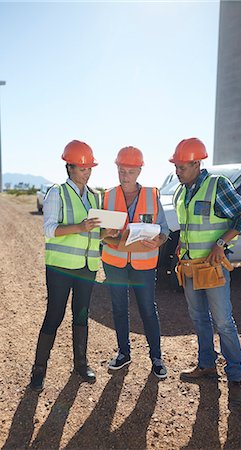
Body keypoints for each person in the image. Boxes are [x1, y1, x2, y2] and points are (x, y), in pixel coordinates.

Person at [169, 137, 241, 404]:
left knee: (223, 321)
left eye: (182, 167)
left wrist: (221, 242)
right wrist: (181, 249)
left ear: (196, 163)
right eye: (176, 167)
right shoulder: (182, 192)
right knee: (199, 318)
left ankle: (235, 374)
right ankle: (206, 364)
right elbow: (187, 227)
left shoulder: (218, 185)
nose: (177, 172)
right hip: (191, 266)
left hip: (214, 267)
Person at [30, 140, 115, 392]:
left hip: (87, 266)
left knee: (81, 314)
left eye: (89, 168)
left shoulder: (93, 196)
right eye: (82, 168)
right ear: (69, 168)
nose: (87, 172)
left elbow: (93, 235)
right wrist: (80, 226)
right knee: (54, 315)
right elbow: (49, 230)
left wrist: (106, 233)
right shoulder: (57, 193)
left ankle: (81, 364)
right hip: (61, 268)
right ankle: (38, 370)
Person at [101, 146, 169, 379]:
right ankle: (123, 353)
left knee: (148, 310)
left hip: (144, 265)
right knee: (119, 309)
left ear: (139, 171)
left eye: (130, 171)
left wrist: (159, 240)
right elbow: (100, 233)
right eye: (121, 170)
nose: (125, 176)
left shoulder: (152, 195)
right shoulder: (107, 196)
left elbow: (165, 230)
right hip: (115, 263)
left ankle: (157, 358)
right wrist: (106, 233)